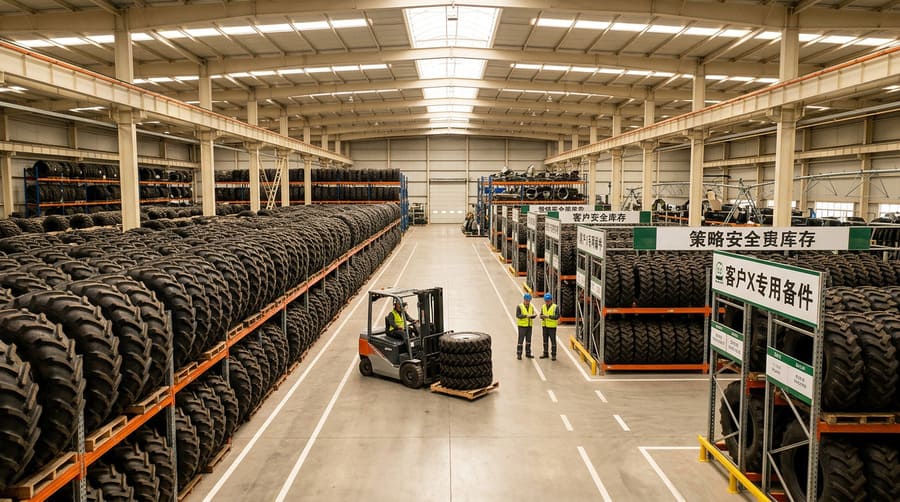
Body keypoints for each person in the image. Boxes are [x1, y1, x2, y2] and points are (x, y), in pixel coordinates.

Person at [515, 293, 537, 360]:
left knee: (528, 340)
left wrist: (533, 316)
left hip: (529, 326)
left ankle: (528, 353)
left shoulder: (531, 307)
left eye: (529, 301)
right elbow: (518, 315)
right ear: (524, 299)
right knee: (520, 340)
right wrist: (526, 316)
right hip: (522, 326)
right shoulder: (519, 306)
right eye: (527, 300)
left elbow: (531, 315)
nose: (528, 302)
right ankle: (519, 354)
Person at [539, 292, 559, 360]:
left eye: (548, 301)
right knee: (545, 341)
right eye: (546, 301)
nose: (547, 302)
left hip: (552, 327)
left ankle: (553, 354)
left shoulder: (555, 307)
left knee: (553, 341)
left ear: (551, 300)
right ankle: (545, 353)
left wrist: (548, 317)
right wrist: (541, 316)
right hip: (544, 326)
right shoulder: (543, 306)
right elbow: (541, 314)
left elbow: (557, 316)